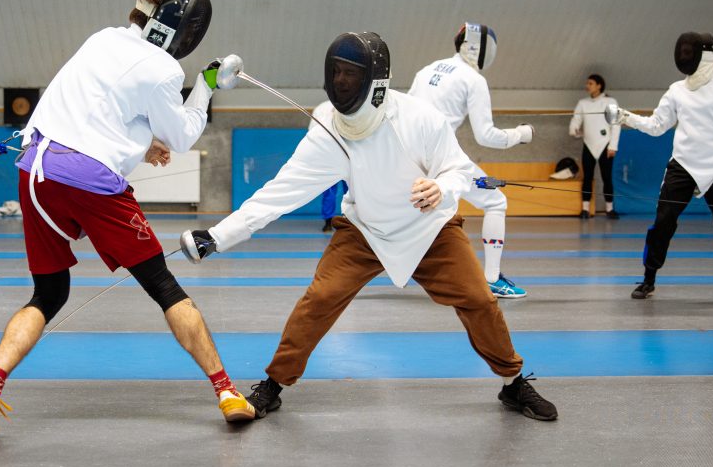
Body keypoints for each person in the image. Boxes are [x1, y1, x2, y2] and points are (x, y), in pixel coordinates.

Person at [181, 32, 558, 422]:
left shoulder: (420, 118)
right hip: (365, 231)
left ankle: (513, 383)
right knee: (320, 299)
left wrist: (441, 187)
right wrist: (218, 236)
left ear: (377, 82)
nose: (342, 81)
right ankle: (273, 385)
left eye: (351, 73)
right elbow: (279, 193)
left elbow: (460, 170)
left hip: (430, 230)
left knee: (479, 299)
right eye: (337, 72)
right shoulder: (328, 129)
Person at [0, 0, 256, 437]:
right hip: (90, 183)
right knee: (163, 286)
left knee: (48, 294)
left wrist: (140, 143)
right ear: (176, 30)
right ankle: (227, 392)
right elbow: (182, 135)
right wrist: (206, 84)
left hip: (35, 171)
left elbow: (98, 108)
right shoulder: (164, 69)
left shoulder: (101, 39)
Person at [615, 31, 713, 302]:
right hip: (683, 164)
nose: (684, 57)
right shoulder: (677, 90)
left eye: (689, 52)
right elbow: (657, 126)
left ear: (705, 55)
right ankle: (648, 279)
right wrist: (626, 117)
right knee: (663, 221)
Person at [408, 23, 533, 298]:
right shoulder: (473, 79)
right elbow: (486, 136)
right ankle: (491, 279)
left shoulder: (427, 69)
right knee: (495, 200)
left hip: (407, 156)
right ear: (478, 47)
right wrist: (521, 134)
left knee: (416, 212)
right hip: (443, 160)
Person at [569, 74, 621, 219]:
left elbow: (616, 125)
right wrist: (574, 130)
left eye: (590, 83)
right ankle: (585, 209)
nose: (587, 86)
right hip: (588, 145)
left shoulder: (610, 102)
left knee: (607, 177)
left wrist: (613, 146)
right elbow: (576, 119)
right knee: (587, 177)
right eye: (587, 83)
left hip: (606, 145)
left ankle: (609, 209)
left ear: (599, 85)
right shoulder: (582, 103)